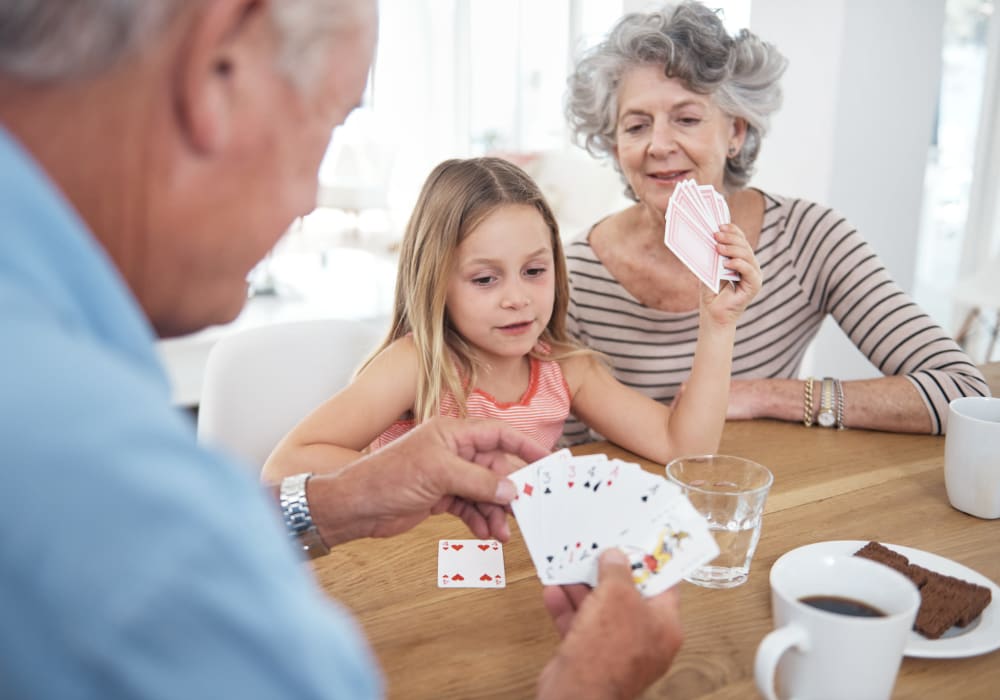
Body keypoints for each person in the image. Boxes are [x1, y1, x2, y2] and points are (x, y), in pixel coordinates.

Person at [0, 2, 680, 698]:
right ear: (217, 66)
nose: (306, 201)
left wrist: (330, 503)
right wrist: (589, 685)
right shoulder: (89, 468)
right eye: (327, 126)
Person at [561, 1, 989, 443]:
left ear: (736, 133)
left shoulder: (809, 239)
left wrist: (767, 396)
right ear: (615, 147)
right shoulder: (571, 274)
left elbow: (960, 390)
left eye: (687, 119)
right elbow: (561, 451)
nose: (659, 144)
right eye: (636, 127)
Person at [262, 156, 761, 482]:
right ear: (436, 282)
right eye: (485, 280)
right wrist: (428, 474)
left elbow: (686, 448)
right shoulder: (415, 365)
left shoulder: (566, 370)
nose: (517, 299)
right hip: (409, 571)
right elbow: (286, 464)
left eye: (534, 271)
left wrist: (718, 325)